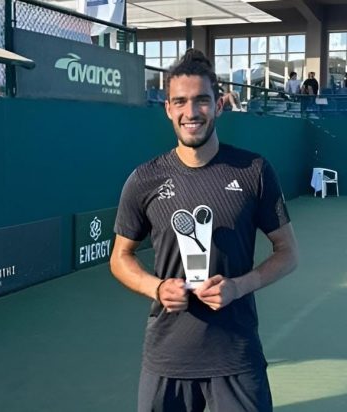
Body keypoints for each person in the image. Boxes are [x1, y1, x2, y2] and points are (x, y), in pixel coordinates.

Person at [110, 48, 299, 412]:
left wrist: (238, 286)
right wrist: (157, 287)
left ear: (219, 105)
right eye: (180, 102)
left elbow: (288, 253)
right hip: (167, 359)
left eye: (201, 100)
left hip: (236, 356)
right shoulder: (144, 179)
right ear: (168, 108)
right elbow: (120, 257)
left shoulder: (254, 171)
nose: (191, 112)